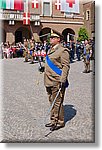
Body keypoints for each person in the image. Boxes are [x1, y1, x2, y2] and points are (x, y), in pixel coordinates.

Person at [42, 30, 70, 131]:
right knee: (51, 101)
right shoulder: (50, 50)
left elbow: (66, 66)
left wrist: (63, 79)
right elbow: (51, 63)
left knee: (57, 101)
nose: (50, 39)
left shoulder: (63, 50)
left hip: (57, 80)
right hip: (48, 79)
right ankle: (53, 120)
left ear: (58, 39)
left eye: (53, 38)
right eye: (50, 37)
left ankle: (60, 122)